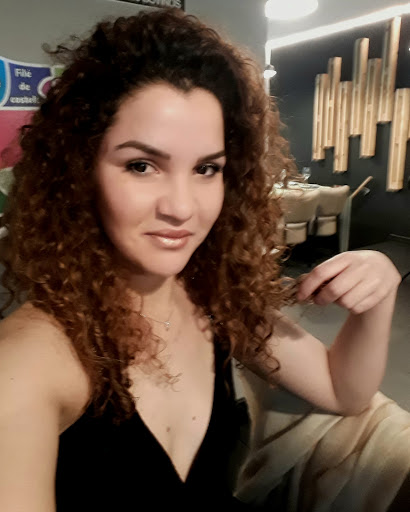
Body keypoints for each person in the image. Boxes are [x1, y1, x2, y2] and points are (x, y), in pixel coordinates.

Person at [0, 8, 402, 512]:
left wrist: (379, 292)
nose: (182, 207)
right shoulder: (28, 365)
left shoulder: (211, 300)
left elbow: (344, 392)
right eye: (141, 165)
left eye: (206, 169)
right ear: (79, 172)